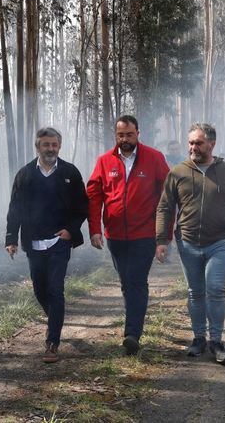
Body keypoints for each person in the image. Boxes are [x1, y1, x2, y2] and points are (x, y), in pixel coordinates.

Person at [156, 123, 225, 365]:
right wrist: (161, 240)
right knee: (195, 292)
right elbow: (165, 208)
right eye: (190, 143)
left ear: (211, 144)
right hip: (187, 242)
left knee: (215, 289)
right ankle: (198, 338)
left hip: (219, 241)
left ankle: (216, 341)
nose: (193, 147)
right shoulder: (178, 172)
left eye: (198, 143)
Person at [87, 115, 170, 355]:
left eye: (129, 134)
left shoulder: (154, 158)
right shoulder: (104, 161)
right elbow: (94, 196)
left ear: (138, 133)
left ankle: (132, 333)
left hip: (145, 234)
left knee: (136, 280)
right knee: (126, 282)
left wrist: (163, 235)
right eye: (121, 135)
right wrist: (94, 229)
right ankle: (133, 321)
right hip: (114, 235)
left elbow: (167, 198)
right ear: (116, 136)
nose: (125, 139)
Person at [6, 127, 89, 363]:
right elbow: (15, 210)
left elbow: (82, 207)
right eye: (46, 145)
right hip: (33, 243)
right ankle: (55, 318)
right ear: (38, 147)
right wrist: (11, 239)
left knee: (55, 290)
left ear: (59, 146)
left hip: (58, 243)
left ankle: (52, 342)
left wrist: (70, 231)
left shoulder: (69, 173)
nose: (50, 149)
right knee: (39, 290)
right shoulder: (24, 175)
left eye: (54, 145)